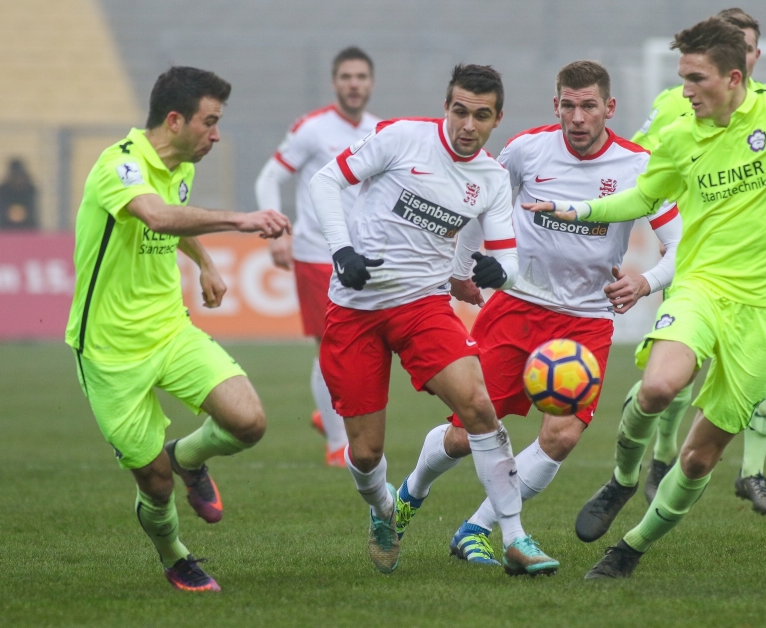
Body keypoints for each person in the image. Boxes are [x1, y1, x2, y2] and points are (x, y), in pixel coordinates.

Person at [528, 3, 766, 578]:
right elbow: (642, 197)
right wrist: (579, 209)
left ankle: (630, 549)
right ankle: (621, 479)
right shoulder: (677, 135)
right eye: (682, 78)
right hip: (699, 288)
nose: (685, 90)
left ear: (733, 77)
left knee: (698, 457)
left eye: (695, 79)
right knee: (657, 388)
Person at [391, 60, 682, 566]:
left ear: (609, 108)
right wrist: (460, 270)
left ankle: (477, 529)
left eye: (588, 106)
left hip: (586, 320)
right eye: (568, 105)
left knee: (562, 435)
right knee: (464, 435)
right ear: (556, 105)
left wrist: (646, 281)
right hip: (518, 307)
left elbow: (681, 244)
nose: (578, 117)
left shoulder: (638, 165)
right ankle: (412, 491)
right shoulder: (527, 149)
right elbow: (482, 204)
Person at [309, 64, 558, 576]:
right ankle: (384, 509)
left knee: (480, 408)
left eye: (481, 116)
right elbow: (325, 179)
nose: (467, 125)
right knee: (365, 453)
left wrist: (498, 272)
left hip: (422, 306)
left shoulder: (491, 178)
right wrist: (341, 250)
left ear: (497, 119)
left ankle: (514, 536)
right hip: (355, 309)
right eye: (459, 111)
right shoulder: (402, 138)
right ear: (446, 107)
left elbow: (507, 259)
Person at [65, 67, 291, 592]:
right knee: (154, 484)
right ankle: (176, 557)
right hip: (109, 352)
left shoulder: (179, 167)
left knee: (249, 421)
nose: (216, 135)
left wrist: (206, 263)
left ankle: (186, 457)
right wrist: (241, 221)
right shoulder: (118, 165)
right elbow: (157, 217)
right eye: (209, 122)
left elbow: (175, 216)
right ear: (174, 120)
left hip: (169, 329)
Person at [624, 8, 766, 516]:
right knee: (674, 375)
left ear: (752, 57)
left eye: (751, 47)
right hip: (695, 264)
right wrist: (666, 226)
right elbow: (638, 164)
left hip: (763, 272)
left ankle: (752, 472)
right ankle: (661, 455)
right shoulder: (675, 104)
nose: (746, 54)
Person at [255, 46, 379, 467]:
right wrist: (276, 231)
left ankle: (328, 415)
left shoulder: (380, 131)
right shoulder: (312, 129)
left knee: (364, 348)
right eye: (346, 76)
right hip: (317, 252)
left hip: (362, 256)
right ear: (334, 82)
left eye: (361, 77)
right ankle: (337, 444)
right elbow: (269, 177)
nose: (354, 84)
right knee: (330, 343)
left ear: (371, 83)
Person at [0, 158, 38, 229]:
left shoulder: (29, 189)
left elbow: (32, 210)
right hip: (6, 227)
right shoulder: (3, 190)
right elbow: (0, 210)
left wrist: (22, 213)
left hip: (27, 227)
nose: (17, 179)